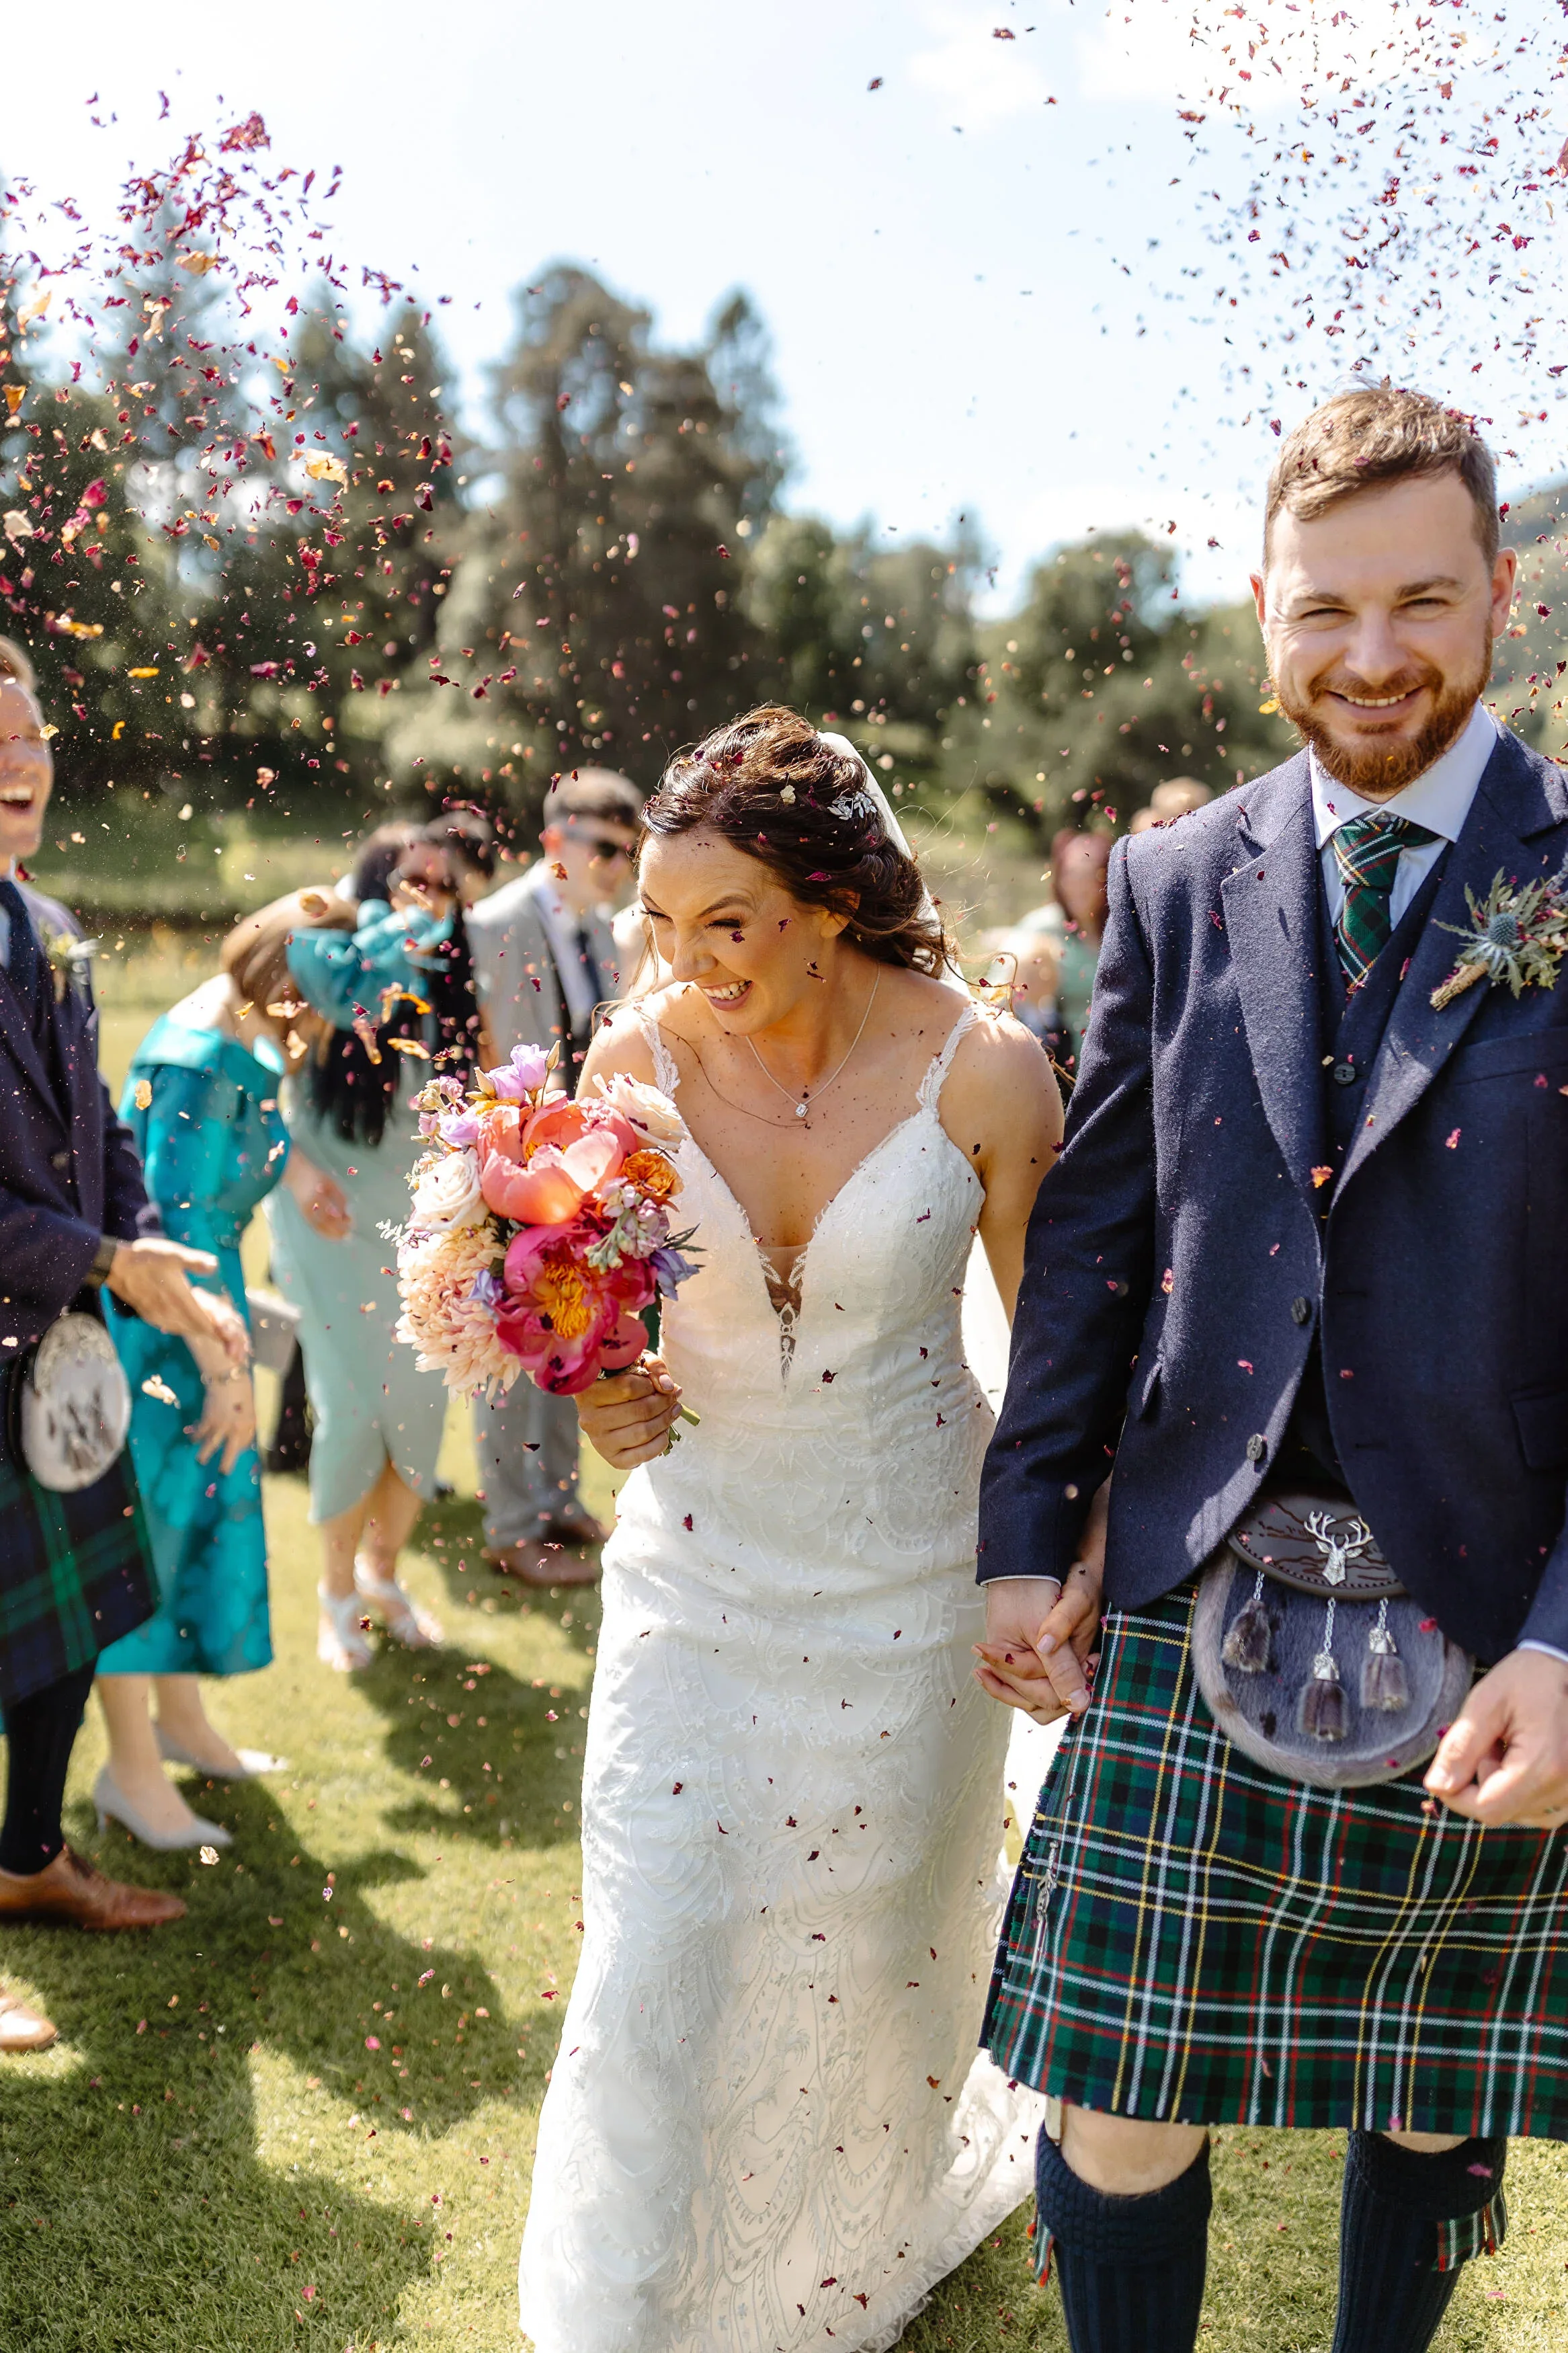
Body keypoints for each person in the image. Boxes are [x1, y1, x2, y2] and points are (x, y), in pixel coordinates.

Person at [975, 387, 1568, 2353]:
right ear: (1259, 612)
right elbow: (1096, 1234)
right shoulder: (1177, 875)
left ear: (1497, 594)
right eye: (1324, 606)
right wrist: (1028, 1519)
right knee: (1116, 2086)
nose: (1371, 653)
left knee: (1428, 2075)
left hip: (1491, 1595)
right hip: (1196, 1569)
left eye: (1419, 599)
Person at [517, 707, 1063, 2352]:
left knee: (868, 1960)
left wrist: (1056, 1572)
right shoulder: (633, 1061)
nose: (687, 963)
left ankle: (829, 2279)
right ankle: (620, 2314)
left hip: (912, 1594)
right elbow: (589, 1308)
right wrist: (603, 1387)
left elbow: (1051, 1362)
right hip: (694, 1576)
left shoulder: (988, 1070)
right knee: (660, 1942)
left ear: (831, 902)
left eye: (727, 923)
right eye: (660, 927)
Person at [0, 637, 248, 2044]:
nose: (22, 761)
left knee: (76, 1621)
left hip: (56, 1347)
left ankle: (29, 1856)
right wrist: (106, 1260)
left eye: (30, 734)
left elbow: (96, 1138)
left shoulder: (49, 923)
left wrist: (167, 1264)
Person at [93, 901, 342, 1846]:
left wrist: (297, 1171)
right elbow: (175, 1221)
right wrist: (223, 1367)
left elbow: (229, 1161)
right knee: (140, 1541)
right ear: (292, 984)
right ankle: (130, 1774)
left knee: (187, 1523)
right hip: (169, 1323)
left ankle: (184, 1724)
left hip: (206, 1309)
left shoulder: (235, 1023)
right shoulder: (197, 1057)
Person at [266, 885, 466, 1670]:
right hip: (329, 1219)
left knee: (419, 1402)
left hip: (416, 1219)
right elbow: (250, 1095)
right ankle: (336, 1590)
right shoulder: (314, 997)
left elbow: (460, 1100)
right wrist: (297, 1170)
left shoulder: (436, 990)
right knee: (350, 1410)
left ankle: (383, 1575)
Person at [465, 768, 641, 1584]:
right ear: (555, 838)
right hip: (510, 1159)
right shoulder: (499, 920)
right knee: (514, 1338)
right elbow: (505, 1060)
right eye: (604, 847)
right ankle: (510, 1523)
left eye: (628, 851)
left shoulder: (600, 930)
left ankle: (559, 1497)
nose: (617, 866)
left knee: (575, 1320)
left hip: (576, 1161)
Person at [1046, 828, 1112, 1073]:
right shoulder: (1044, 928)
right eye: (1071, 874)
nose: (1078, 885)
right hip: (1071, 1070)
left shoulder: (1124, 927)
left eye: (1089, 875)